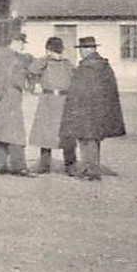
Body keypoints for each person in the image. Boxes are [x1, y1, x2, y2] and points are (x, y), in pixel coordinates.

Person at [59, 36, 127, 180]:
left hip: (84, 111)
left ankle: (90, 171)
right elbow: (110, 90)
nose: (81, 53)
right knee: (93, 140)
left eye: (83, 49)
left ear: (90, 49)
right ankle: (91, 169)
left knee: (85, 140)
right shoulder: (105, 66)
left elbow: (77, 91)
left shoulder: (85, 67)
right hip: (99, 111)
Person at [27, 36, 77, 174]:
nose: (57, 53)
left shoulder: (67, 64)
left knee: (67, 134)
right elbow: (32, 69)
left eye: (58, 50)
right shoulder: (44, 63)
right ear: (48, 50)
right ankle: (44, 165)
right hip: (48, 99)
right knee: (45, 134)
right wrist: (46, 57)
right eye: (54, 50)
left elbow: (75, 77)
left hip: (64, 100)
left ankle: (71, 166)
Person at [0, 35, 32, 175]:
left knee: (0, 131)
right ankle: (19, 167)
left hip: (4, 97)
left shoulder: (3, 56)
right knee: (14, 132)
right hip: (9, 97)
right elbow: (1, 81)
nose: (23, 46)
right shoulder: (11, 58)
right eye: (22, 43)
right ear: (15, 42)